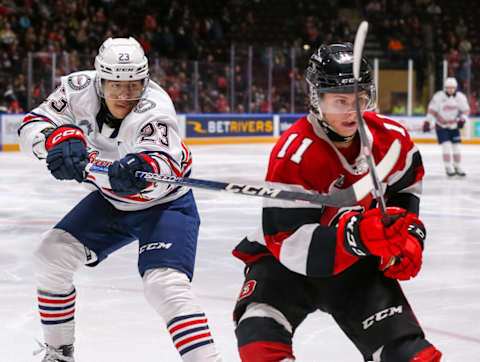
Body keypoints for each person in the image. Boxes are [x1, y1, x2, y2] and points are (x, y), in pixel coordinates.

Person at [231, 43, 442, 362]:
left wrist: (408, 236)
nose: (351, 111)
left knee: (412, 355)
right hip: (283, 266)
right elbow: (288, 243)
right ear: (316, 98)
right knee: (258, 333)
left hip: (355, 264)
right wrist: (356, 236)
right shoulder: (296, 153)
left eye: (359, 100)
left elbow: (406, 184)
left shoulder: (391, 139)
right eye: (340, 101)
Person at [18, 37, 222, 362]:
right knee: (50, 254)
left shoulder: (155, 107)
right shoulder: (77, 89)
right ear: (100, 81)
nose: (125, 95)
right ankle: (59, 354)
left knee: (165, 287)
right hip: (110, 201)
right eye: (115, 86)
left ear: (145, 80)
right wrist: (54, 140)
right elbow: (32, 124)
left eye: (134, 85)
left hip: (165, 206)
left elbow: (162, 168)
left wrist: (142, 168)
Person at [424, 77, 470, 176]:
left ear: (456, 88)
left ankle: (457, 166)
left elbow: (466, 111)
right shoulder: (438, 97)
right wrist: (427, 122)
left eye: (453, 88)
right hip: (441, 126)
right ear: (445, 88)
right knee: (446, 146)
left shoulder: (460, 97)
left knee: (456, 147)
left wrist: (462, 120)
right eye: (448, 88)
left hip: (454, 126)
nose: (451, 90)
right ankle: (448, 167)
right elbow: (432, 110)